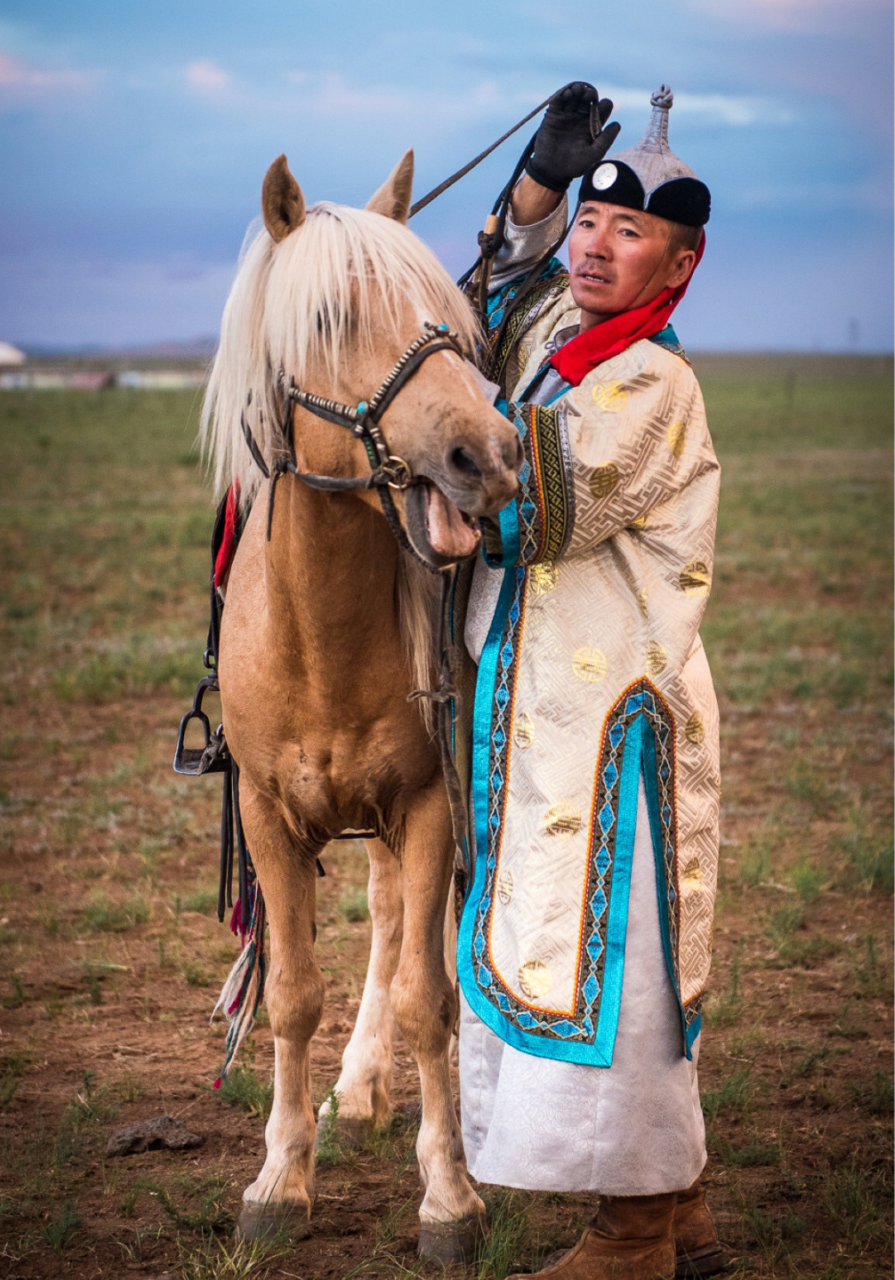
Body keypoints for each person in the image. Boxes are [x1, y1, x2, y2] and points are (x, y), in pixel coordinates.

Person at [452, 82, 726, 1279]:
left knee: (621, 958)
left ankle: (634, 1235)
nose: (594, 244)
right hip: (543, 719)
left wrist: (432, 478)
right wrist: (532, 187)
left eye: (627, 233)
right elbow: (487, 306)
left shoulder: (649, 385)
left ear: (680, 261)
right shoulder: (572, 341)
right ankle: (685, 1205)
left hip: (616, 728)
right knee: (589, 951)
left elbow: (538, 495)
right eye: (588, 225)